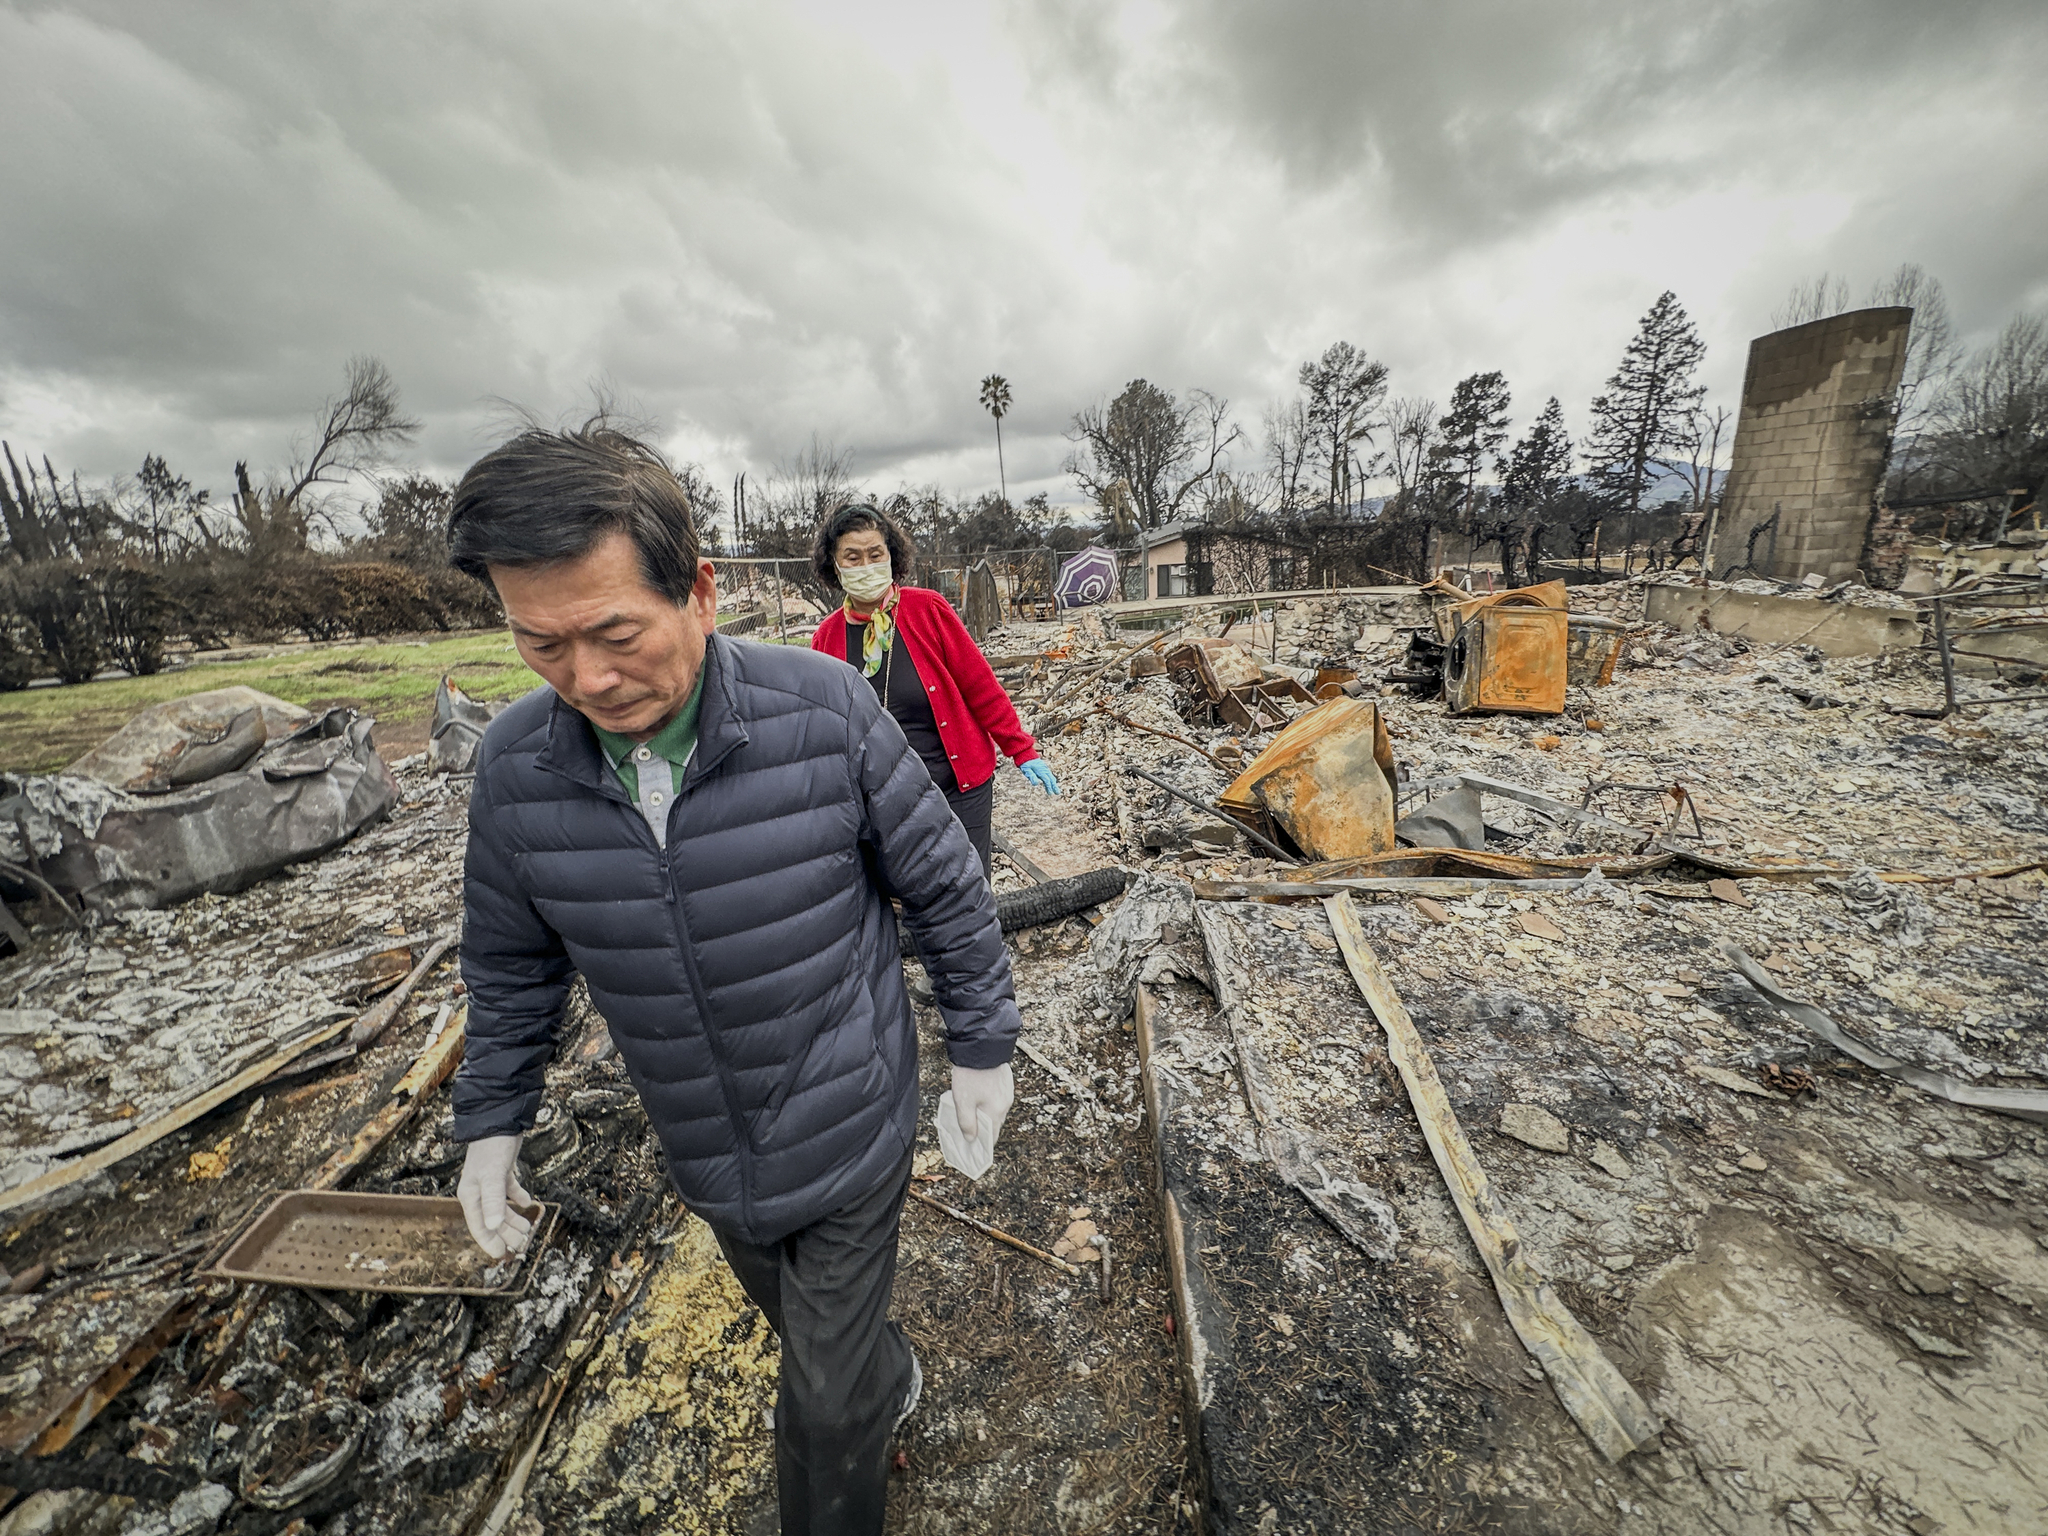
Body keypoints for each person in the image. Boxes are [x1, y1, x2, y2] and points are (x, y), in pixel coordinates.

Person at [445, 424, 1019, 1536]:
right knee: (821, 1341)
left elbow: (946, 887)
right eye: (541, 645)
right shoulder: (516, 770)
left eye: (614, 633)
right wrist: (491, 1120)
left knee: (818, 1409)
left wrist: (980, 1049)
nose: (588, 679)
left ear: (699, 593)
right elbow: (510, 966)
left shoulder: (824, 712)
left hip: (849, 1121)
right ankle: (882, 1372)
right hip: (706, 1147)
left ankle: (855, 1418)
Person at [809, 504, 1059, 880]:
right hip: (883, 802)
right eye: (853, 557)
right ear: (835, 564)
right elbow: (822, 728)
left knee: (968, 888)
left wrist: (1021, 750)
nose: (866, 565)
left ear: (891, 556)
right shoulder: (826, 639)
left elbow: (981, 687)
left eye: (875, 554)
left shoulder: (928, 609)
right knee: (908, 895)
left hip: (958, 787)